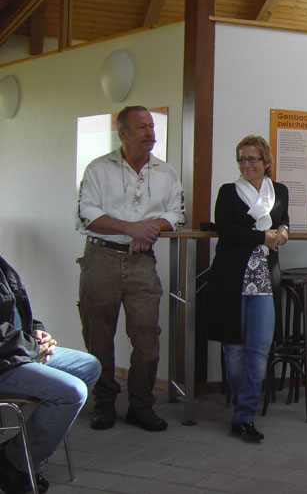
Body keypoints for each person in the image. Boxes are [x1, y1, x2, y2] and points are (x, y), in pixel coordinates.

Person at [76, 105, 185, 432]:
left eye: (152, 127)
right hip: (101, 260)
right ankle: (104, 403)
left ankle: (140, 405)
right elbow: (87, 214)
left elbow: (177, 214)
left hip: (142, 263)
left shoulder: (166, 172)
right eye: (142, 127)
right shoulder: (98, 169)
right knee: (98, 337)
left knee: (147, 339)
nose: (150, 133)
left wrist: (150, 229)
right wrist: (130, 228)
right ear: (123, 133)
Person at [207, 135, 289, 442]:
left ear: (266, 162)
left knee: (259, 350)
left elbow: (284, 221)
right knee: (236, 349)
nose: (246, 165)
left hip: (265, 279)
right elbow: (224, 230)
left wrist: (282, 231)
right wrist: (262, 238)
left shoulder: (278, 191)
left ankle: (244, 416)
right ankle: (241, 414)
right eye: (241, 159)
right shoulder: (229, 192)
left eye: (252, 159)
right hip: (233, 277)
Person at [0, 254, 101, 494]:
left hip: (19, 352)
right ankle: (14, 463)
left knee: (88, 366)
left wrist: (38, 332)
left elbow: (18, 310)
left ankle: (24, 449)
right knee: (71, 392)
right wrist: (34, 347)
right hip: (6, 361)